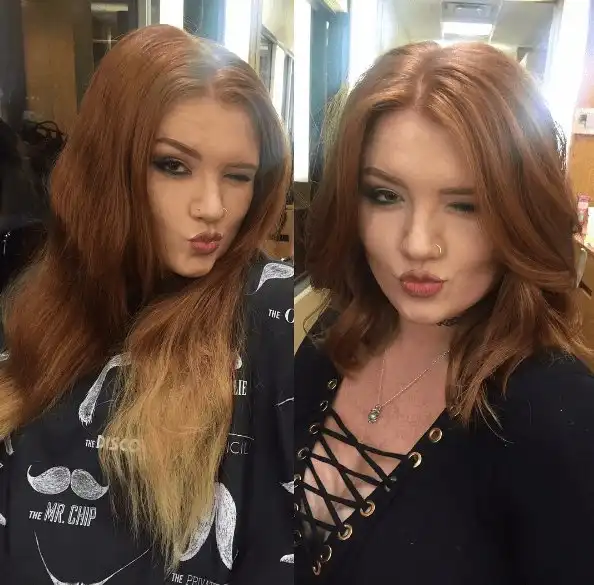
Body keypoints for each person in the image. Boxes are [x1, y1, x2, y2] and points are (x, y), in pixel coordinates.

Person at [0, 25, 294, 585]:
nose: (212, 207)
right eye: (173, 166)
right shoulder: (38, 311)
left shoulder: (273, 314)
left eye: (238, 177)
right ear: (107, 165)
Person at [294, 41, 594, 584]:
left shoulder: (557, 415)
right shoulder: (334, 335)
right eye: (385, 195)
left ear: (521, 214)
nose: (417, 243)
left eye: (465, 205)